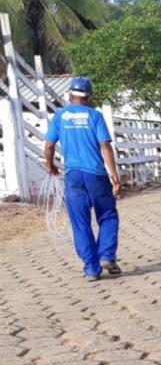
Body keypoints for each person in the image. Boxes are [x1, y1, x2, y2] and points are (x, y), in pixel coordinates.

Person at [44, 76, 122, 281]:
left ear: (70, 95)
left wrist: (50, 166)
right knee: (107, 216)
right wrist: (113, 174)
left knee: (80, 222)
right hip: (96, 174)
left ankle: (91, 269)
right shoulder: (94, 116)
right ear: (89, 97)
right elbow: (105, 145)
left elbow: (49, 145)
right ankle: (106, 255)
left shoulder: (60, 116)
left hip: (73, 176)